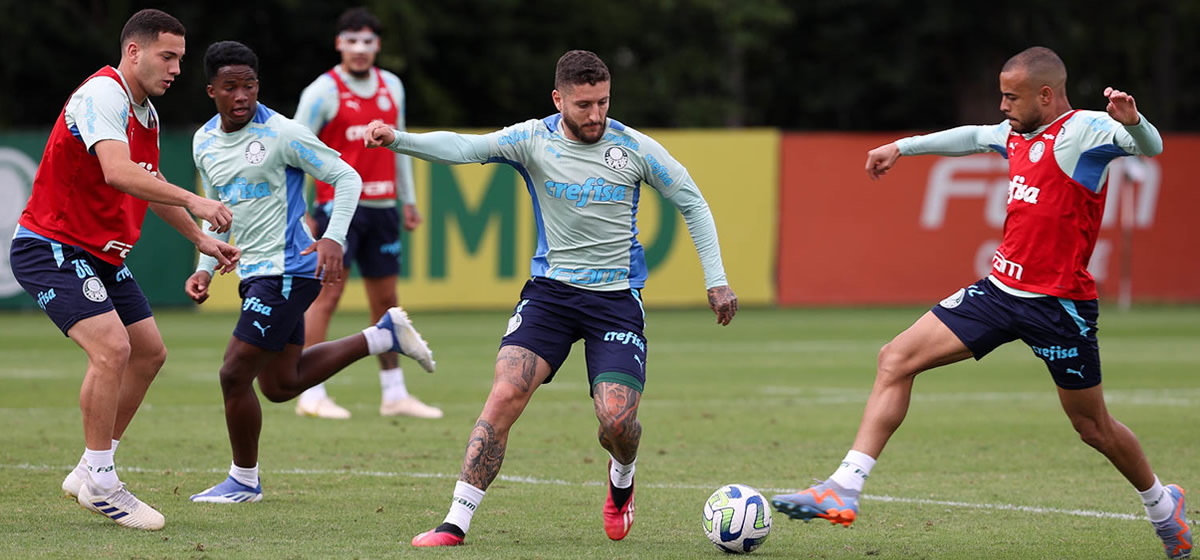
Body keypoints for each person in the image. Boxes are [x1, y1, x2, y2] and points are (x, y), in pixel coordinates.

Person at [770, 47, 1191, 560]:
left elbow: (1150, 146)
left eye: (1011, 96)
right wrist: (902, 147)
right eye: (1000, 94)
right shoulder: (1013, 134)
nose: (1003, 104)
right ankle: (844, 487)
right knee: (895, 358)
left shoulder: (1084, 130)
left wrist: (1136, 120)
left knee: (1092, 427)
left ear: (1045, 94)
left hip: (1059, 307)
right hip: (998, 292)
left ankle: (1162, 506)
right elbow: (970, 136)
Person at [363, 49, 739, 546]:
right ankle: (455, 521)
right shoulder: (531, 140)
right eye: (584, 105)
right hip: (550, 296)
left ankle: (621, 479)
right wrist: (398, 140)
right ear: (558, 98)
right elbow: (464, 148)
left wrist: (716, 279)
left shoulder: (634, 148)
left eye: (604, 102)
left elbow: (691, 199)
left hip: (615, 301)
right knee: (505, 394)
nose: (596, 115)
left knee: (617, 421)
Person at [8, 9, 239, 531]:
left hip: (102, 253)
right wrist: (198, 201)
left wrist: (200, 237)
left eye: (180, 57)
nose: (178, 68)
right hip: (53, 246)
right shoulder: (102, 95)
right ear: (134, 51)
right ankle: (102, 481)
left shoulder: (147, 114)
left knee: (149, 352)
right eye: (168, 56)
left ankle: (90, 470)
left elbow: (145, 181)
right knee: (112, 348)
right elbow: (117, 172)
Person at [184, 41, 435, 504]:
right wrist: (205, 262)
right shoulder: (204, 141)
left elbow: (347, 177)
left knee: (233, 373)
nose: (242, 95)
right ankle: (382, 336)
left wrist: (333, 237)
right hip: (254, 272)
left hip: (287, 269)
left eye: (250, 85)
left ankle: (243, 481)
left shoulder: (283, 133)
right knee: (280, 385)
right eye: (231, 87)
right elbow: (214, 211)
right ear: (211, 91)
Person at [291, 8, 440, 420]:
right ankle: (310, 391)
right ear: (339, 43)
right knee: (326, 296)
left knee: (387, 301)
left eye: (368, 41)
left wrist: (407, 201)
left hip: (383, 209)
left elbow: (401, 146)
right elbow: (293, 150)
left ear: (378, 45)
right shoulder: (323, 90)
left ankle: (394, 393)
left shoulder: (392, 85)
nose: (359, 49)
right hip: (336, 209)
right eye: (351, 41)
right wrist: (300, 210)